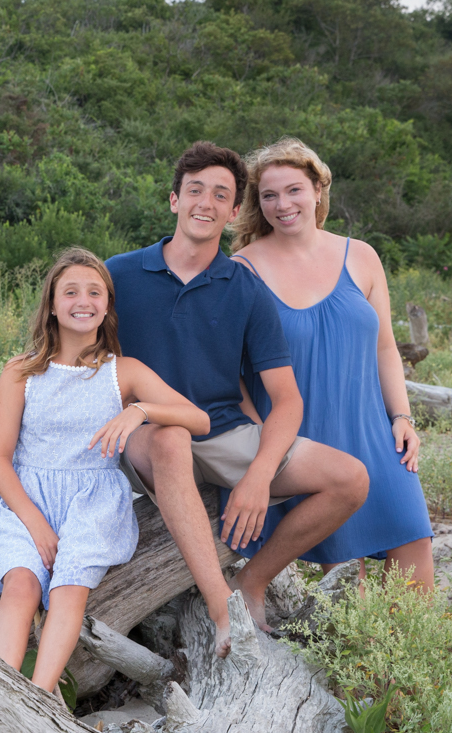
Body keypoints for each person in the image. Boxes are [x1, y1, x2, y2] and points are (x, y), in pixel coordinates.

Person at [107, 141, 370, 657]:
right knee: (170, 438)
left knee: (350, 478)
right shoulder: (119, 275)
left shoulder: (244, 289)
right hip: (143, 434)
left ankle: (251, 584)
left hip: (222, 430)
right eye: (195, 190)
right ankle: (220, 608)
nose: (205, 202)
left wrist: (257, 477)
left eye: (220, 195)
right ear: (173, 200)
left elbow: (286, 399)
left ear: (232, 213)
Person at [0, 247, 211, 694]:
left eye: (94, 291)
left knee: (69, 587)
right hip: (27, 501)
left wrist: (140, 410)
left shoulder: (121, 372)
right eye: (70, 292)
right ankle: (1, 696)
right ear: (52, 303)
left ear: (107, 304)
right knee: (22, 587)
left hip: (93, 503)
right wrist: (36, 523)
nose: (82, 300)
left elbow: (199, 419)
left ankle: (41, 694)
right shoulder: (21, 371)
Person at [230, 137, 434, 589]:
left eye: (294, 190)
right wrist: (258, 442)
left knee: (415, 551)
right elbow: (230, 370)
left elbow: (385, 348)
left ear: (318, 189)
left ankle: (400, 659)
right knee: (348, 580)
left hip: (374, 432)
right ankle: (357, 660)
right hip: (305, 439)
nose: (283, 204)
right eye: (269, 195)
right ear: (257, 203)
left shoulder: (361, 256)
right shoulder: (242, 269)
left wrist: (402, 416)